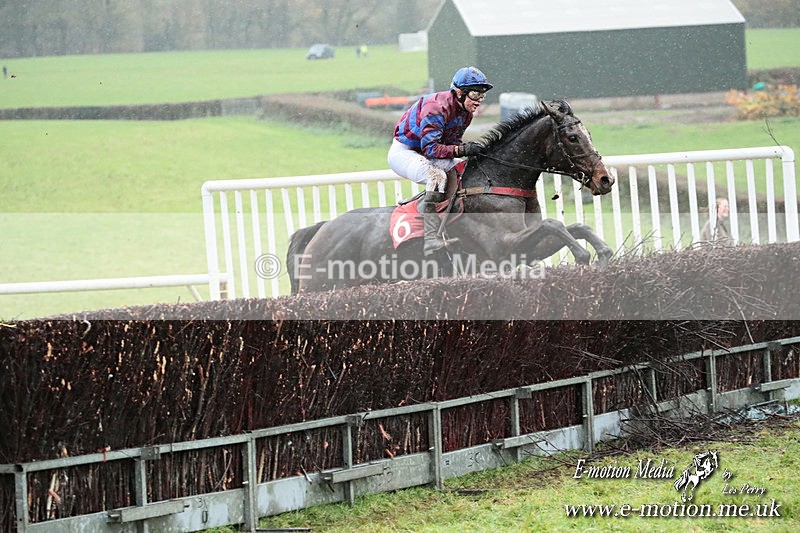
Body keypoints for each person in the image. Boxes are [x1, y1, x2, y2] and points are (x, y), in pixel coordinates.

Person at [388, 66, 492, 255]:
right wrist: (463, 149)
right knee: (437, 178)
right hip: (405, 152)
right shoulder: (436, 108)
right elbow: (432, 148)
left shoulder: (465, 112)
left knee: (463, 170)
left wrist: (467, 151)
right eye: (476, 94)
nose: (479, 101)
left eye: (482, 96)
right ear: (460, 93)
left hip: (427, 153)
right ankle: (431, 238)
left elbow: (451, 145)